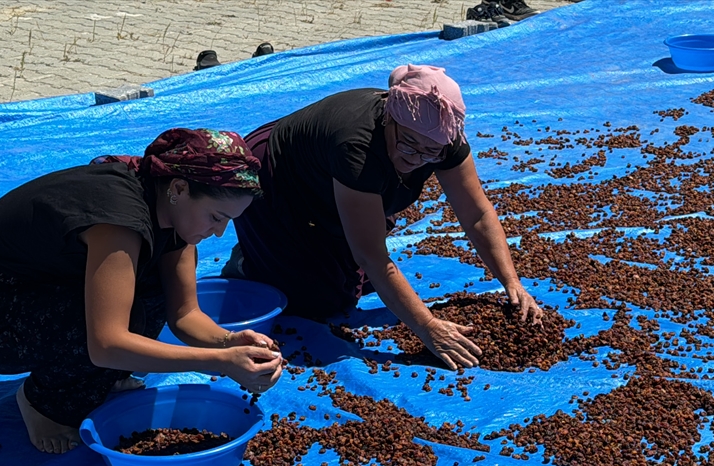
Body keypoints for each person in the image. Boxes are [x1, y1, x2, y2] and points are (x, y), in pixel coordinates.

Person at [0, 129, 283, 453]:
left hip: (37, 285)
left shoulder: (173, 215)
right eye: (216, 217)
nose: (219, 233)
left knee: (148, 295)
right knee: (104, 324)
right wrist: (220, 363)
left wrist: (228, 342)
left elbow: (184, 314)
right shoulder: (119, 220)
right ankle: (43, 402)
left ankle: (93, 380)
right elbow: (107, 344)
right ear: (178, 189)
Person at [223, 64, 543, 370]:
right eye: (409, 145)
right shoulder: (357, 146)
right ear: (389, 119)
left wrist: (511, 282)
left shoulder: (445, 138)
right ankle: (250, 261)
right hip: (279, 177)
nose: (417, 159)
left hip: (332, 185)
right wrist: (427, 326)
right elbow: (372, 256)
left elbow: (476, 214)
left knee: (353, 287)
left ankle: (296, 251)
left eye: (431, 152)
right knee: (318, 303)